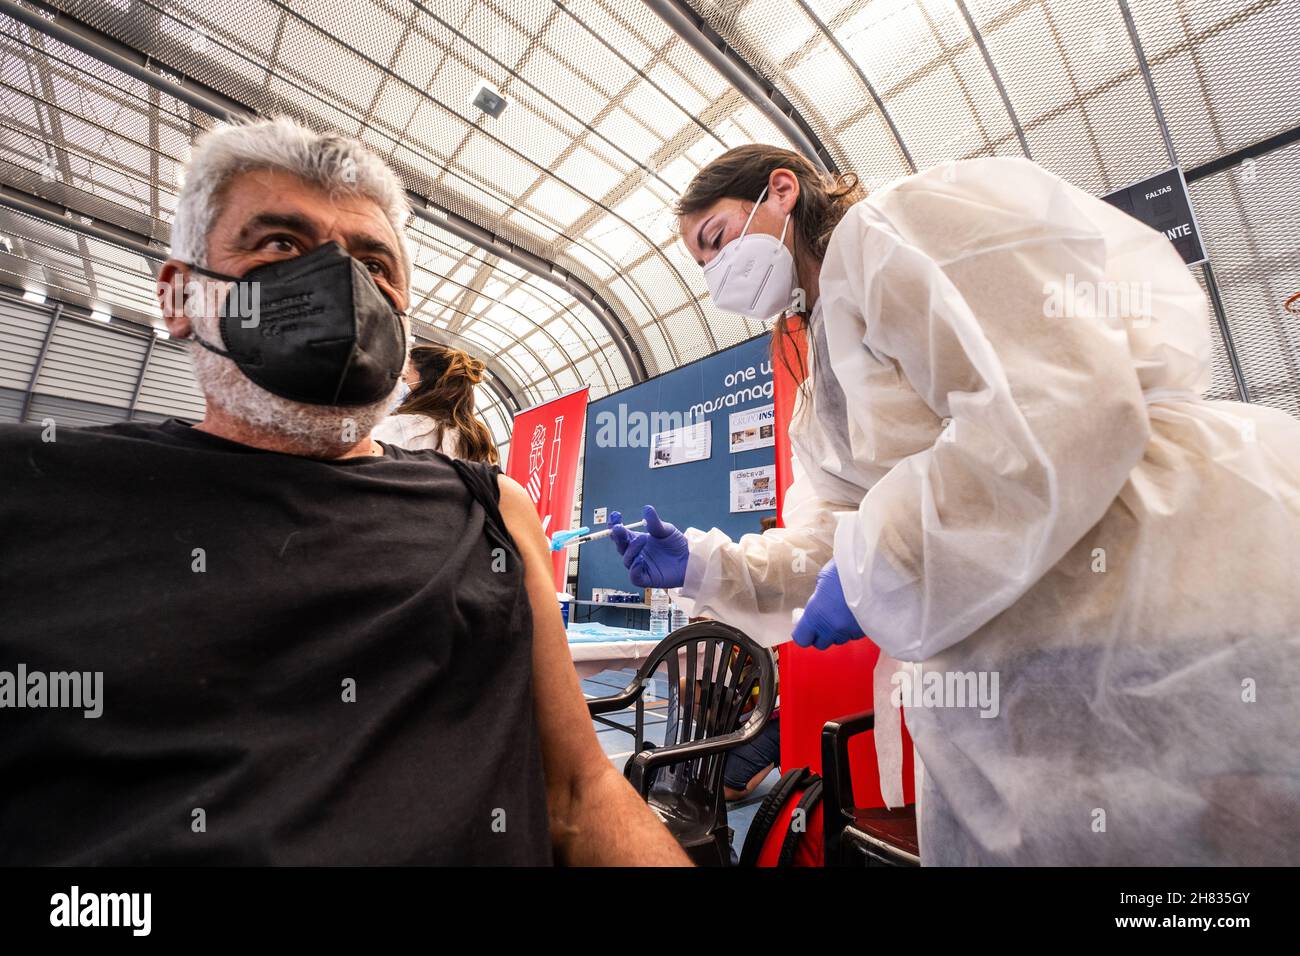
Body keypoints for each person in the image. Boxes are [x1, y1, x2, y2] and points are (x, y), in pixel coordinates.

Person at [0, 116, 687, 866]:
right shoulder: (36, 489)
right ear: (181, 298)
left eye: (373, 262)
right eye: (280, 244)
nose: (338, 283)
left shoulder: (489, 509)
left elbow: (582, 794)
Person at [609, 144, 1300, 865]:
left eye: (716, 240)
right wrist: (706, 566)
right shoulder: (819, 376)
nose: (719, 276)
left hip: (1149, 587)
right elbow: (838, 534)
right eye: (702, 266)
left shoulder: (896, 229)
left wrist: (876, 559)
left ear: (781, 190)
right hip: (1016, 671)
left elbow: (1058, 406)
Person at [372, 344, 499, 462]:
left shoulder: (403, 426)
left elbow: (359, 452)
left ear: (425, 383)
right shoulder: (477, 441)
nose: (401, 385)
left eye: (404, 378)